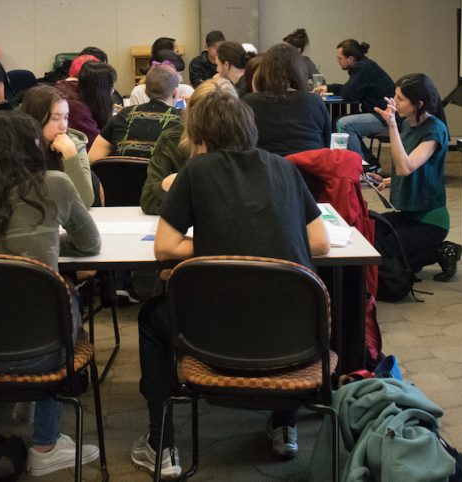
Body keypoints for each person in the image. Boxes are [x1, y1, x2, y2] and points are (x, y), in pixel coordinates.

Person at [130, 78, 329, 478]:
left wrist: (213, 246)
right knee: (291, 299)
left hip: (213, 334)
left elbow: (165, 248)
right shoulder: (284, 169)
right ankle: (284, 422)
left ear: (200, 135)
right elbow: (319, 243)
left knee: (152, 320)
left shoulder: (197, 170)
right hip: (291, 336)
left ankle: (162, 441)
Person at [0, 110, 101, 476]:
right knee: (64, 292)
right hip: (38, 352)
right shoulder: (54, 184)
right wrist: (49, 239)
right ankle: (45, 444)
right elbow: (90, 243)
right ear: (32, 147)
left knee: (10, 297)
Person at [369, 73, 462, 281]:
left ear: (419, 104)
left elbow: (406, 167)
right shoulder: (407, 124)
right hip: (409, 213)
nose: (394, 102)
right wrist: (387, 180)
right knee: (370, 230)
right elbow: (416, 167)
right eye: (395, 95)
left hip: (430, 220)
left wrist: (391, 125)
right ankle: (417, 254)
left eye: (400, 99)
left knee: (388, 259)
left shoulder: (435, 129)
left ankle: (442, 250)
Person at [139, 79, 232, 215]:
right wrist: (171, 182)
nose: (211, 123)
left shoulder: (241, 143)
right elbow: (148, 201)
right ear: (190, 113)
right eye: (204, 115)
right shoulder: (172, 140)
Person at [314, 39, 394, 168]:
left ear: (350, 59)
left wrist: (331, 87)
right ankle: (369, 162)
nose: (337, 61)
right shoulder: (365, 65)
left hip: (385, 117)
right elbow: (350, 90)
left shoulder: (361, 68)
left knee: (343, 124)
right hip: (383, 114)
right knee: (340, 121)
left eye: (340, 58)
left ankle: (362, 166)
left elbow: (348, 94)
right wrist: (330, 87)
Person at [241, 43, 331, 156]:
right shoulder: (315, 102)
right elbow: (327, 144)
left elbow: (242, 147)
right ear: (300, 71)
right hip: (308, 170)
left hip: (267, 169)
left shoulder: (249, 103)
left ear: (264, 71)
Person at [19, 85, 95, 207]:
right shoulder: (15, 143)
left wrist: (71, 157)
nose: (63, 125)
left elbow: (85, 201)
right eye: (55, 118)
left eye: (66, 117)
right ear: (35, 118)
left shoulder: (74, 144)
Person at [88, 65, 181, 161]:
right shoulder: (184, 120)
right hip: (164, 175)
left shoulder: (123, 115)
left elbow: (92, 159)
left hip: (119, 175)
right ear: (174, 93)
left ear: (145, 91)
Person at [54, 58, 116, 150]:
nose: (113, 91)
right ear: (101, 89)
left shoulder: (82, 98)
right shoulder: (77, 108)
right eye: (111, 87)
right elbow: (98, 146)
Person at [128, 50, 194, 106]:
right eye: (178, 74)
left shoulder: (186, 90)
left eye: (181, 74)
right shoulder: (138, 92)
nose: (181, 79)